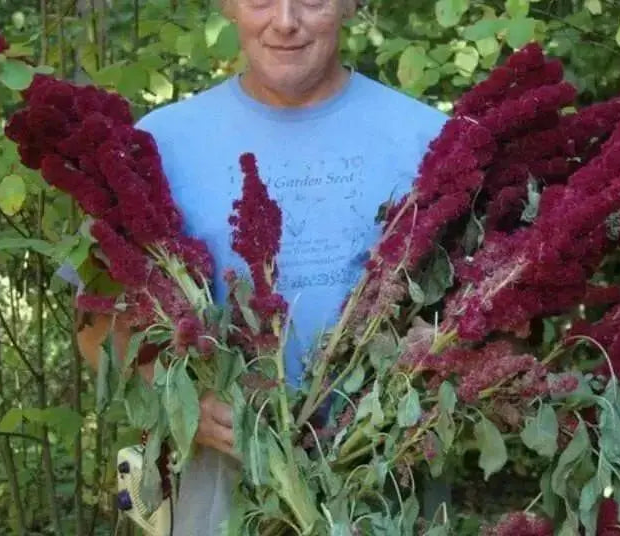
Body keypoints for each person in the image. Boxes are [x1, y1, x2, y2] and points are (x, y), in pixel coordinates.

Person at [74, 0, 448, 533]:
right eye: (261, 0)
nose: (286, 21)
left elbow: (498, 323)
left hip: (386, 492)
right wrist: (174, 397)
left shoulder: (430, 141)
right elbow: (95, 323)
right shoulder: (158, 144)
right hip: (217, 497)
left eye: (312, 0)